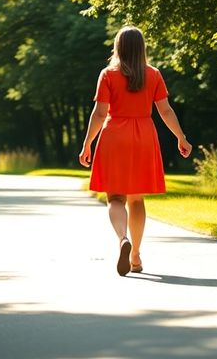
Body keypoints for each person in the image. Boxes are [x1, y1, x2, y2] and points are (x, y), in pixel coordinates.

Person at [79, 26, 192, 276]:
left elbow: (99, 113)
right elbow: (165, 111)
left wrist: (87, 143)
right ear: (142, 48)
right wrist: (181, 137)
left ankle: (122, 239)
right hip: (144, 136)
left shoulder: (108, 74)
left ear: (118, 47)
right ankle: (136, 256)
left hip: (114, 135)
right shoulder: (153, 75)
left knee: (115, 198)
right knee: (137, 198)